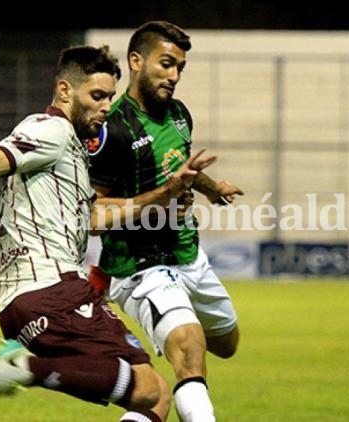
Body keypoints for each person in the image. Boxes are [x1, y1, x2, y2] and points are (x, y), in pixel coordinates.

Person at [0, 45, 216, 422]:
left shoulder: (68, 148)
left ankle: (28, 367)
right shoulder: (49, 129)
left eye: (110, 97)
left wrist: (161, 197)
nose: (107, 107)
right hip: (54, 291)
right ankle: (27, 368)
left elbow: (91, 215)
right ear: (65, 90)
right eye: (97, 96)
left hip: (29, 301)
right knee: (151, 391)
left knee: (151, 396)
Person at [87, 21, 243, 422]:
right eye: (166, 64)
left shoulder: (178, 115)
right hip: (141, 268)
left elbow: (177, 169)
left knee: (226, 343)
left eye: (180, 68)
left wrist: (210, 187)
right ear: (136, 61)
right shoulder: (114, 130)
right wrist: (161, 201)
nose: (174, 76)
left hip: (190, 257)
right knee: (191, 351)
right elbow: (91, 214)